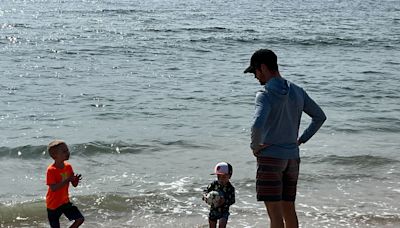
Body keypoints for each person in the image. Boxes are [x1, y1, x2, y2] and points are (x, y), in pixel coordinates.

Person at [244, 49, 326, 228]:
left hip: (271, 158)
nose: (255, 77)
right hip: (292, 158)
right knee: (289, 209)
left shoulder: (264, 94)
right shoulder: (297, 91)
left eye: (255, 72)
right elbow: (319, 117)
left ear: (263, 68)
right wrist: (301, 139)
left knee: (274, 216)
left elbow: (257, 124)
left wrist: (255, 147)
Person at [46, 140, 84, 228]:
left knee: (80, 219)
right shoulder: (51, 170)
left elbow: (74, 184)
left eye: (67, 150)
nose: (68, 153)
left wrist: (76, 180)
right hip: (53, 205)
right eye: (64, 151)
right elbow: (53, 188)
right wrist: (67, 180)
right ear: (55, 156)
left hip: (65, 202)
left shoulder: (68, 167)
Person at [203, 162, 236, 228]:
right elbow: (205, 192)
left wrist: (224, 201)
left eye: (223, 177)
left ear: (229, 176)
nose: (221, 179)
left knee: (222, 225)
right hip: (213, 210)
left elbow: (232, 200)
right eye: (218, 176)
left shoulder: (230, 188)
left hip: (224, 211)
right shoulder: (213, 184)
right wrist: (206, 197)